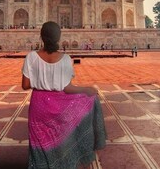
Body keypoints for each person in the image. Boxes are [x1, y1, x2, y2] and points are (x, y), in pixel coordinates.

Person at [21, 21, 106, 168]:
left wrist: (40, 81)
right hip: (59, 104)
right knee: (60, 139)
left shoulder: (31, 57)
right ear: (58, 38)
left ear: (41, 37)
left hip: (38, 106)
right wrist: (86, 90)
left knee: (39, 144)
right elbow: (67, 88)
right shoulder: (66, 59)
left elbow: (25, 85)